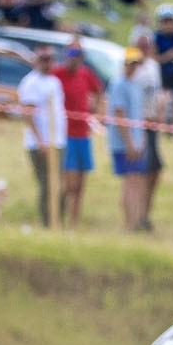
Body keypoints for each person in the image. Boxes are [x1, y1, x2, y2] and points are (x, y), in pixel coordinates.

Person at [15, 47, 66, 228]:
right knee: (47, 184)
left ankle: (58, 221)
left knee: (58, 183)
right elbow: (28, 114)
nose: (47, 62)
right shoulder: (31, 82)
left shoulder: (54, 81)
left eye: (50, 58)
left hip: (57, 141)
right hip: (41, 143)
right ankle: (48, 223)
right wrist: (40, 141)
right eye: (43, 58)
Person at [54, 44, 103, 227]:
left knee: (81, 184)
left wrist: (94, 108)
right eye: (71, 54)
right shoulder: (58, 74)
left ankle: (74, 222)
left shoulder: (85, 74)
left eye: (77, 54)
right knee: (70, 184)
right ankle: (60, 217)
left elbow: (98, 90)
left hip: (83, 134)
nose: (73, 58)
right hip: (66, 134)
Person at [104, 46, 149, 231]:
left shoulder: (134, 85)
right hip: (123, 143)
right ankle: (129, 224)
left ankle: (136, 221)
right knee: (130, 182)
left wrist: (141, 140)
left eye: (136, 63)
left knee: (136, 181)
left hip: (136, 142)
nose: (133, 67)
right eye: (130, 63)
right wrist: (130, 143)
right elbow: (119, 115)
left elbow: (138, 115)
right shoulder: (119, 84)